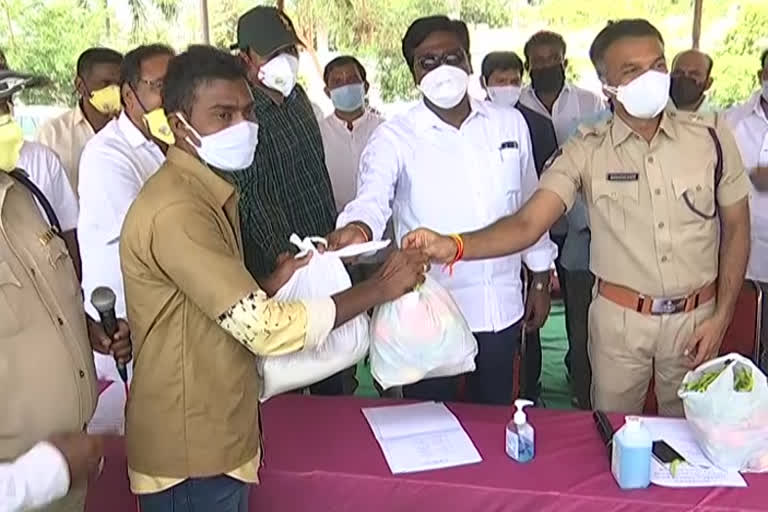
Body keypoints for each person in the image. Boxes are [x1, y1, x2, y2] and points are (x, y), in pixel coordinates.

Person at [119, 45, 427, 512]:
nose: (241, 128)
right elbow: (262, 328)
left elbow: (201, 308)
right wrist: (378, 289)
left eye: (246, 113)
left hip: (212, 426)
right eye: (222, 115)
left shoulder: (201, 193)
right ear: (179, 123)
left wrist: (269, 282)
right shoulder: (179, 209)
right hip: (191, 447)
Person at [405, 19, 752, 417]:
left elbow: (737, 227)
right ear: (608, 85)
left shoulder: (711, 135)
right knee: (612, 434)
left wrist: (722, 316)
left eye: (657, 66)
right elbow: (527, 224)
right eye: (631, 71)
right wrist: (454, 245)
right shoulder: (586, 148)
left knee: (694, 439)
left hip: (697, 321)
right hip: (620, 325)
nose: (650, 79)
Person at [328, 16, 556, 405]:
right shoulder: (395, 136)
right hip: (429, 311)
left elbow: (529, 205)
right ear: (414, 73)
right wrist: (359, 227)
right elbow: (372, 196)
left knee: (495, 417)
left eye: (452, 57)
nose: (442, 68)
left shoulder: (508, 122)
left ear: (469, 62)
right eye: (427, 61)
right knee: (431, 419)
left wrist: (538, 277)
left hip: (499, 306)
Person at [0, 69, 131, 512]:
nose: (7, 121)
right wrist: (45, 471)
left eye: (5, 105)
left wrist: (80, 330)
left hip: (65, 478)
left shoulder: (18, 196)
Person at [231, 7, 343, 395]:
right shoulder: (239, 113)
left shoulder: (297, 100)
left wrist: (333, 236)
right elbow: (250, 194)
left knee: (336, 367)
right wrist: (282, 257)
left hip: (323, 255)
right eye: (271, 52)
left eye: (289, 49)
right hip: (279, 269)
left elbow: (317, 174)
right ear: (245, 57)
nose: (286, 60)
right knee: (288, 376)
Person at [519, 31, 606, 408]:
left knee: (580, 301)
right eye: (537, 61)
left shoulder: (590, 102)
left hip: (579, 224)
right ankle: (528, 380)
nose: (545, 66)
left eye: (551, 58)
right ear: (528, 66)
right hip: (529, 219)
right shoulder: (513, 106)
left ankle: (579, 367)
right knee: (528, 300)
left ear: (564, 60)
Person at [77, 44, 174, 383]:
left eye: (177, 82)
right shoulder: (107, 154)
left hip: (165, 320)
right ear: (129, 97)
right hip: (120, 329)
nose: (172, 93)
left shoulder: (171, 142)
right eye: (159, 85)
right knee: (131, 428)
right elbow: (156, 236)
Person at [480, 50, 558, 403]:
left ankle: (529, 389)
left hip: (526, 242)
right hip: (469, 259)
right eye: (500, 81)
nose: (508, 87)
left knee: (526, 327)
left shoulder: (532, 124)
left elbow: (537, 191)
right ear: (483, 83)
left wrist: (541, 272)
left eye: (514, 80)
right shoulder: (468, 127)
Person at [0, 65, 81, 280]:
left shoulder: (42, 159)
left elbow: (68, 230)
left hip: (51, 284)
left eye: (5, 103)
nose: (4, 114)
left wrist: (76, 287)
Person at [724, 49, 768, 371]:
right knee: (737, 350)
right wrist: (750, 173)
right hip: (737, 254)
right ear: (761, 76)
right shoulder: (732, 119)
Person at [37, 47, 123, 194]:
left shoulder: (131, 132)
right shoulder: (52, 133)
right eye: (106, 83)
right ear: (80, 86)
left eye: (119, 84)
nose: (115, 91)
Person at [319, 55, 385, 213]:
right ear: (328, 92)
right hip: (336, 225)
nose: (346, 86)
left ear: (365, 86)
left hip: (383, 224)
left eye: (352, 79)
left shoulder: (384, 129)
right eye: (337, 82)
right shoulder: (318, 134)